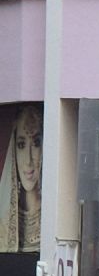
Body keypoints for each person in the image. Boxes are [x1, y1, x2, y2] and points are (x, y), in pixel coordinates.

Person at [0, 103, 43, 252]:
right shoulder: (5, 221)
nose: (29, 160)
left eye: (36, 143)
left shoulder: (55, 214)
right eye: (21, 145)